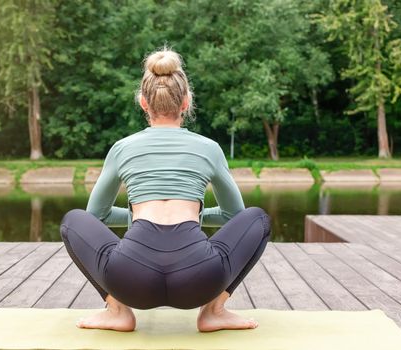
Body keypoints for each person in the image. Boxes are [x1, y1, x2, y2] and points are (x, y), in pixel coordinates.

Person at [60, 47, 271, 332]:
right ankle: (213, 311)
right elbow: (236, 215)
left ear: (143, 103)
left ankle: (118, 311)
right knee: (258, 218)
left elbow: (94, 216)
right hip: (199, 280)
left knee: (73, 220)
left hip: (130, 281)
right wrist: (196, 215)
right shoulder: (209, 148)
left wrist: (136, 217)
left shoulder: (122, 148)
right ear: (186, 102)